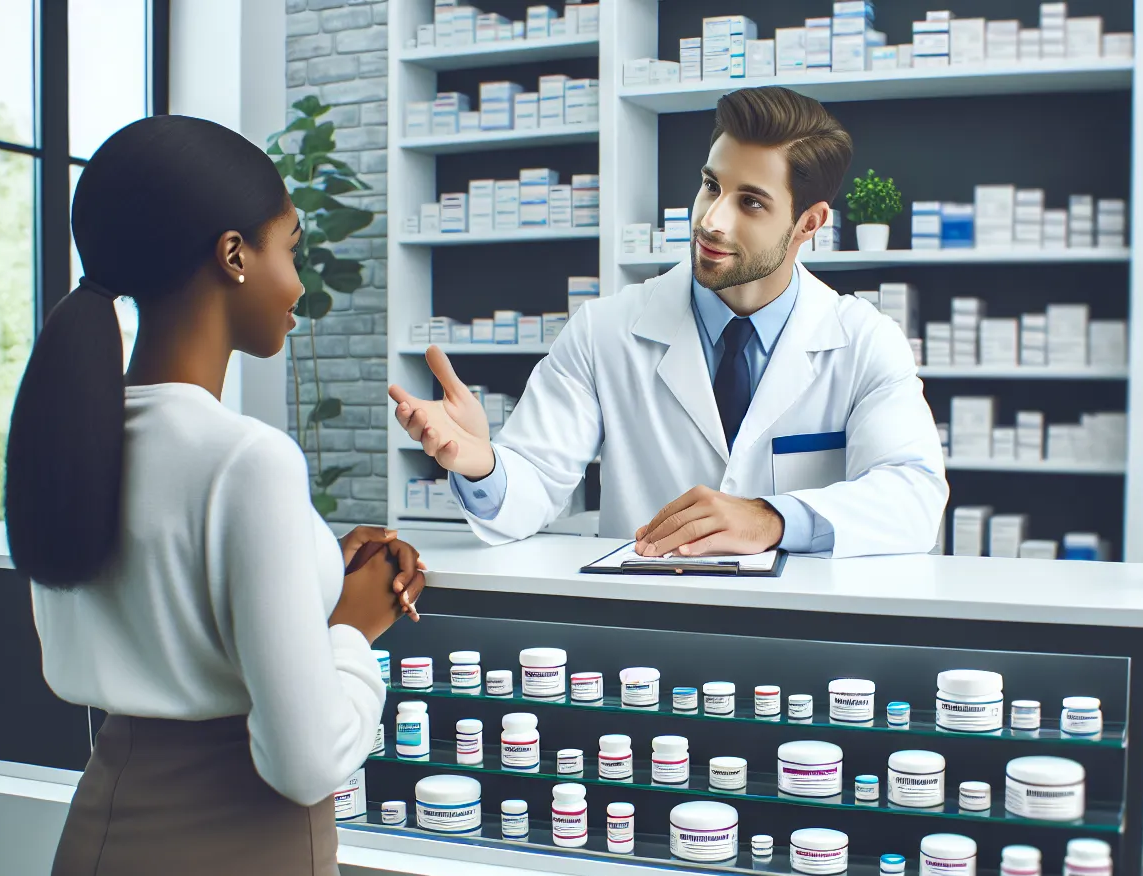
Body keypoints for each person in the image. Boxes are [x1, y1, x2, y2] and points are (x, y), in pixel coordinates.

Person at [4, 115, 422, 876]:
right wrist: (351, 625)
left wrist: (310, 566)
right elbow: (305, 761)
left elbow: (163, 596)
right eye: (290, 250)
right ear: (233, 255)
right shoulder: (248, 462)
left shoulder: (69, 436)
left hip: (100, 859)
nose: (299, 284)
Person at [390, 86, 947, 559]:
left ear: (809, 222)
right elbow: (531, 486)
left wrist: (770, 519)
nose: (711, 219)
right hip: (646, 637)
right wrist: (482, 463)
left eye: (750, 202)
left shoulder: (864, 341)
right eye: (711, 185)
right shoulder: (604, 330)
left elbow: (914, 497)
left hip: (801, 640)